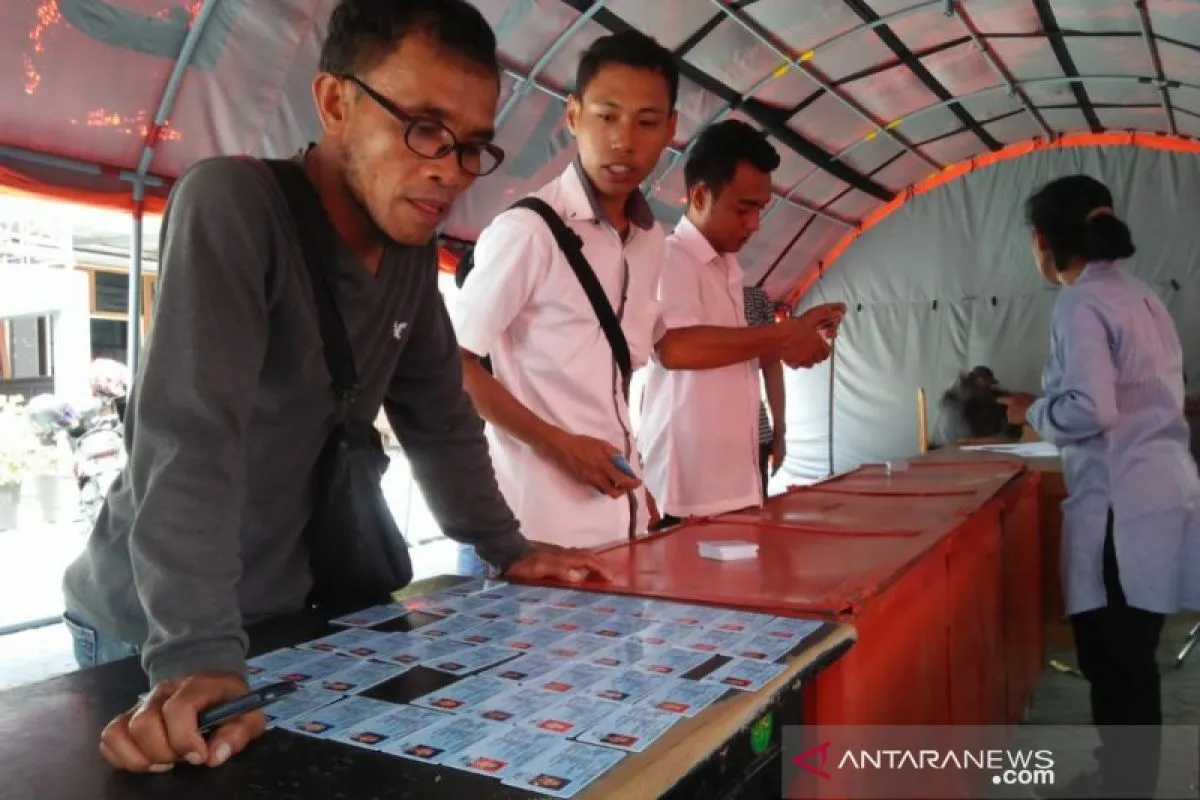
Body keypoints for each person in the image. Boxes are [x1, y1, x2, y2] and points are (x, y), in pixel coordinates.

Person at [62, 0, 611, 775]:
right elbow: (189, 436)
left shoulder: (410, 250)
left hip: (286, 615)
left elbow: (440, 419)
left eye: (471, 147)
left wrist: (507, 549)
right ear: (334, 102)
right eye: (424, 128)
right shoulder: (235, 204)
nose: (450, 171)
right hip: (156, 627)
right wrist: (196, 653)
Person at [999, 174, 1200, 799]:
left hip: (1122, 503)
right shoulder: (1141, 294)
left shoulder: (1080, 303)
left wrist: (1032, 410)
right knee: (1130, 659)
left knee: (1114, 660)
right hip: (1162, 490)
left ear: (1043, 240)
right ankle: (1121, 781)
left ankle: (1123, 788)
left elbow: (1091, 408)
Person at [451, 30, 678, 553]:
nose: (624, 140)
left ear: (671, 129)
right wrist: (558, 445)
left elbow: (612, 387)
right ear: (573, 116)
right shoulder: (529, 231)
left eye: (646, 122)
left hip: (621, 526)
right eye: (606, 116)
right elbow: (452, 366)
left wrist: (638, 494)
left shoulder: (651, 241)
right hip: (535, 535)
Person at [637, 120, 842, 527]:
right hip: (686, 493)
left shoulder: (726, 268)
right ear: (699, 196)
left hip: (731, 483)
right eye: (743, 208)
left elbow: (733, 350)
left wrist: (797, 334)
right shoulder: (672, 257)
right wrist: (784, 334)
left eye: (760, 209)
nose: (754, 224)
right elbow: (675, 348)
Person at [744, 285, 786, 496]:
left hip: (753, 436)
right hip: (694, 442)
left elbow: (772, 364)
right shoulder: (678, 286)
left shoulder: (755, 299)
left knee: (754, 510)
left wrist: (779, 432)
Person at [931, 365, 1021, 447]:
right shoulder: (954, 401)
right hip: (952, 445)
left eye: (987, 382)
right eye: (983, 380)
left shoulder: (997, 399)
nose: (986, 385)